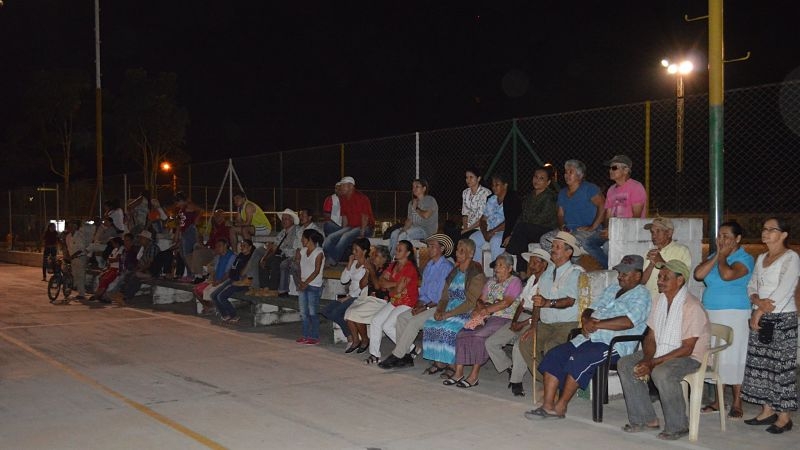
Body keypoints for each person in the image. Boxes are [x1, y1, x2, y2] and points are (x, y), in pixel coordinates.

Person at [525, 254, 651, 419]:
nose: (620, 276)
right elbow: (590, 308)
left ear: (637, 275)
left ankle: (560, 406)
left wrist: (596, 324)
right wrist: (586, 321)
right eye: (619, 272)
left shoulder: (642, 294)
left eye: (624, 274)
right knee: (555, 354)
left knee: (579, 359)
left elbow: (628, 322)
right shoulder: (612, 289)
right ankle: (547, 406)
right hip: (588, 338)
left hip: (613, 344)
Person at [618, 259, 710, 441]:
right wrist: (647, 359)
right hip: (662, 351)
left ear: (680, 280)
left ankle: (679, 425)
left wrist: (652, 363)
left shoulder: (691, 306)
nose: (659, 280)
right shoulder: (659, 301)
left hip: (691, 357)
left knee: (662, 372)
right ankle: (645, 419)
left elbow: (687, 348)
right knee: (626, 363)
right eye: (659, 276)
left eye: (665, 277)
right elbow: (651, 337)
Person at [742, 217, 799, 434]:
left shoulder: (791, 258)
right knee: (762, 366)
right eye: (764, 229)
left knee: (781, 368)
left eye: (771, 230)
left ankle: (784, 417)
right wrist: (756, 301)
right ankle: (767, 410)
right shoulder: (761, 257)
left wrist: (759, 311)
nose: (765, 233)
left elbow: (785, 289)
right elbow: (752, 284)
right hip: (762, 315)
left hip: (782, 319)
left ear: (783, 234)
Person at [693, 221, 754, 419]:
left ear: (738, 239)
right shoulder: (715, 256)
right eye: (719, 235)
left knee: (734, 355)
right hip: (712, 311)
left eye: (727, 236)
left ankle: (737, 401)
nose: (722, 240)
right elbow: (698, 274)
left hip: (734, 312)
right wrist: (718, 255)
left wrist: (723, 257)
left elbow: (727, 275)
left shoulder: (744, 258)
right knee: (717, 355)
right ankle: (718, 401)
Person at [514, 231, 585, 385]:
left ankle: (553, 383)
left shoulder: (576, 273)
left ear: (568, 252)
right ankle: (548, 381)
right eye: (552, 246)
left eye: (557, 247)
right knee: (525, 343)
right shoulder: (546, 274)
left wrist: (548, 303)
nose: (553, 249)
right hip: (545, 324)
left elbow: (570, 301)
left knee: (551, 347)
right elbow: (538, 303)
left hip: (567, 325)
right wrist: (533, 326)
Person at [446, 253, 523, 388]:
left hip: (503, 318)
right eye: (496, 266)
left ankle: (474, 376)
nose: (496, 269)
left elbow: (506, 303)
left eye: (501, 266)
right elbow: (481, 299)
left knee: (478, 336)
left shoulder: (514, 281)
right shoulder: (491, 282)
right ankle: (458, 373)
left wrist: (486, 310)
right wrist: (480, 308)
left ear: (510, 268)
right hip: (487, 316)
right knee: (462, 333)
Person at [378, 234, 454, 369]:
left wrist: (423, 307)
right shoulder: (429, 266)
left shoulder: (446, 267)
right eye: (428, 246)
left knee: (413, 322)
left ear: (442, 249)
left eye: (432, 246)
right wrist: (418, 305)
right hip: (426, 305)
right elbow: (423, 292)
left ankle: (397, 355)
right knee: (402, 318)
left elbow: (443, 296)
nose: (429, 249)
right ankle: (407, 357)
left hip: (439, 307)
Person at [486, 248, 550, 396]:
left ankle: (516, 381)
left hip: (536, 321)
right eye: (531, 262)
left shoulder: (546, 283)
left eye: (535, 262)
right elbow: (521, 303)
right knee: (491, 342)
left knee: (518, 346)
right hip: (521, 317)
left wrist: (522, 323)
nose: (531, 265)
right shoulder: (531, 280)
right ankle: (509, 367)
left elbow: (540, 312)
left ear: (544, 265)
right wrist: (514, 321)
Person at [420, 239, 487, 376]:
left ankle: (452, 365)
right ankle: (439, 362)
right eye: (457, 250)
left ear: (471, 253)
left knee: (449, 328)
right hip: (450, 308)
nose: (458, 253)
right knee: (431, 323)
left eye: (462, 251)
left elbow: (470, 301)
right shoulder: (455, 271)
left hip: (466, 310)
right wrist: (440, 310)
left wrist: (448, 314)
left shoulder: (476, 272)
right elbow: (444, 296)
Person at [540, 159, 607, 268]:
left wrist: (593, 226)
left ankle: (576, 267)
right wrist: (562, 226)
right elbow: (560, 214)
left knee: (570, 242)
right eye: (566, 172)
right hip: (569, 229)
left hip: (587, 230)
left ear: (580, 175)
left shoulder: (589, 188)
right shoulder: (562, 192)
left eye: (570, 172)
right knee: (545, 239)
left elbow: (602, 205)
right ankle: (561, 266)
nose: (566, 175)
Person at [363, 240, 420, 364]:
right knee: (376, 320)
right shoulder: (393, 265)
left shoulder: (409, 268)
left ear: (408, 253)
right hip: (395, 300)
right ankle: (375, 354)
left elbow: (396, 289)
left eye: (400, 250)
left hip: (407, 302)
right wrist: (395, 285)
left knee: (387, 325)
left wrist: (391, 287)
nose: (396, 251)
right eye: (396, 249)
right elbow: (381, 282)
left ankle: (409, 348)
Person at [320, 238, 372, 351]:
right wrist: (349, 264)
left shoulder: (367, 266)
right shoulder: (354, 263)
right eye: (353, 249)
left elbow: (363, 287)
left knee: (336, 312)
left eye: (356, 250)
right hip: (349, 296)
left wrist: (349, 297)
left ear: (364, 251)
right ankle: (350, 335)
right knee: (326, 311)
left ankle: (352, 338)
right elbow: (343, 280)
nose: (354, 252)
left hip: (358, 297)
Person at [504, 166, 558, 272]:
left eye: (541, 178)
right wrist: (512, 234)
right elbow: (521, 216)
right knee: (521, 238)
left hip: (546, 230)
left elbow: (541, 219)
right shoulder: (530, 196)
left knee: (522, 229)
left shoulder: (550, 197)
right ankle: (522, 272)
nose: (537, 180)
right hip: (529, 230)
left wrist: (518, 231)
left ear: (548, 182)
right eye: (535, 177)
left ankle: (506, 254)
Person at [343, 245, 391, 353]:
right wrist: (368, 272)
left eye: (376, 255)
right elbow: (361, 285)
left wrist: (371, 271)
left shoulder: (387, 269)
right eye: (373, 255)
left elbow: (378, 287)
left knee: (355, 314)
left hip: (380, 300)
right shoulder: (372, 267)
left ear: (384, 258)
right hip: (368, 298)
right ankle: (356, 340)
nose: (373, 257)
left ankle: (364, 340)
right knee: (349, 314)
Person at [470, 173, 521, 264]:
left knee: (495, 241)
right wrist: (485, 233)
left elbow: (510, 221)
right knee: (472, 239)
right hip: (489, 229)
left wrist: (492, 232)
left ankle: (497, 272)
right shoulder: (492, 199)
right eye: (492, 185)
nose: (493, 187)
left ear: (505, 185)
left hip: (504, 231)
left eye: (497, 185)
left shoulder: (512, 199)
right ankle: (478, 271)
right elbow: (483, 219)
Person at [323, 176, 375, 266]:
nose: (341, 187)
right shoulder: (343, 199)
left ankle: (333, 260)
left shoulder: (361, 197)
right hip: (351, 227)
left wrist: (362, 234)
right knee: (330, 238)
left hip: (365, 227)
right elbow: (345, 218)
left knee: (345, 236)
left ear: (351, 186)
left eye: (343, 185)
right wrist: (342, 230)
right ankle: (333, 257)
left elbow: (365, 217)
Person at [641, 217, 691, 301]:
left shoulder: (682, 251)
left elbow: (681, 280)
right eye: (652, 232)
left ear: (669, 233)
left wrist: (660, 262)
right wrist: (651, 264)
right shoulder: (649, 252)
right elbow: (642, 282)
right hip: (649, 300)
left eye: (658, 231)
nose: (654, 235)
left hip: (670, 300)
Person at [389, 179, 438, 257]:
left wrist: (416, 208)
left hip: (426, 230)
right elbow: (410, 220)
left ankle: (399, 258)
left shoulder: (430, 200)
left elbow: (426, 215)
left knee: (403, 237)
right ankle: (391, 259)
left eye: (417, 186)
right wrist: (403, 229)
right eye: (413, 187)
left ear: (424, 189)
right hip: (414, 228)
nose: (414, 189)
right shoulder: (411, 203)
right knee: (394, 234)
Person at [211, 239, 255, 324]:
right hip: (232, 279)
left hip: (242, 283)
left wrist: (238, 280)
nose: (242, 247)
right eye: (241, 245)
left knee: (221, 297)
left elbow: (244, 274)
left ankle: (234, 315)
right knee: (214, 295)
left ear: (250, 247)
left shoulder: (251, 258)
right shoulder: (240, 255)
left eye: (244, 245)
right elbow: (233, 268)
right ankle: (225, 315)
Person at [256, 209, 298, 293]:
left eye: (286, 219)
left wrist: (280, 249)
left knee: (276, 262)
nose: (283, 221)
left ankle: (273, 289)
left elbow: (296, 250)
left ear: (292, 220)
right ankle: (264, 287)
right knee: (262, 261)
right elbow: (274, 246)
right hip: (278, 255)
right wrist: (264, 258)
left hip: (288, 256)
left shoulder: (297, 231)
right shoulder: (282, 232)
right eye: (283, 219)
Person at [296, 229, 325, 345]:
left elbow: (316, 271)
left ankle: (314, 336)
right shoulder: (303, 251)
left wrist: (304, 283)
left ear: (309, 239)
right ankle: (305, 335)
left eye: (303, 238)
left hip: (314, 286)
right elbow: (298, 267)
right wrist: (297, 260)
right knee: (303, 312)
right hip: (304, 284)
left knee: (313, 312)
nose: (301, 240)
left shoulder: (319, 252)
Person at [194, 239, 236, 315]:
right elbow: (214, 271)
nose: (217, 248)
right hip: (217, 280)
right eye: (216, 246)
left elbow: (229, 273)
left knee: (210, 292)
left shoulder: (232, 257)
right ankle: (210, 307)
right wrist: (213, 280)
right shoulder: (218, 257)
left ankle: (212, 307)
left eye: (219, 246)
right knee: (196, 290)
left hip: (225, 282)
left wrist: (219, 281)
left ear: (225, 246)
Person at [188, 209, 230, 281]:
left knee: (197, 253)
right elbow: (210, 241)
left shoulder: (226, 227)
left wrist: (215, 250)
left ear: (223, 216)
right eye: (215, 216)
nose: (216, 217)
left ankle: (199, 276)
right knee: (189, 255)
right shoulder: (214, 227)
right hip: (210, 249)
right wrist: (203, 244)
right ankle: (199, 274)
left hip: (216, 251)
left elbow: (225, 242)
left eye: (218, 215)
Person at [173, 192, 203, 281]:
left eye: (177, 202)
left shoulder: (189, 206)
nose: (176, 205)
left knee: (187, 254)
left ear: (182, 200)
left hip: (190, 230)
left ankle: (192, 274)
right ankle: (190, 273)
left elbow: (200, 210)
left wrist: (195, 221)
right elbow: (180, 223)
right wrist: (177, 235)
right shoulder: (182, 208)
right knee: (182, 254)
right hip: (184, 232)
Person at [460, 167, 491, 239]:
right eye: (467, 177)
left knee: (464, 239)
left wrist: (467, 230)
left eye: (471, 177)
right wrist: (465, 228)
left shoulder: (485, 193)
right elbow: (465, 214)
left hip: (480, 227)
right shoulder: (465, 192)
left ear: (479, 178)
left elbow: (482, 219)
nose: (468, 180)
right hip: (467, 227)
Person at [90, 237, 124, 301]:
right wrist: (111, 261)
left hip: (117, 269)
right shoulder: (114, 250)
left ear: (117, 243)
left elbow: (116, 259)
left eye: (113, 243)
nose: (112, 244)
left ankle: (98, 294)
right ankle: (101, 294)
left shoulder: (122, 248)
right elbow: (110, 259)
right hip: (111, 268)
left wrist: (111, 260)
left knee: (106, 279)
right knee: (101, 277)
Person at [63, 220, 88, 300]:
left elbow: (81, 249)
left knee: (80, 276)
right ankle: (79, 292)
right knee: (75, 275)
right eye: (69, 226)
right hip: (73, 259)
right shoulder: (68, 236)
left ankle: (82, 294)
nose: (70, 228)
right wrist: (66, 256)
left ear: (76, 227)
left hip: (80, 258)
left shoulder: (80, 235)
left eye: (72, 226)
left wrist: (72, 256)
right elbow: (67, 248)